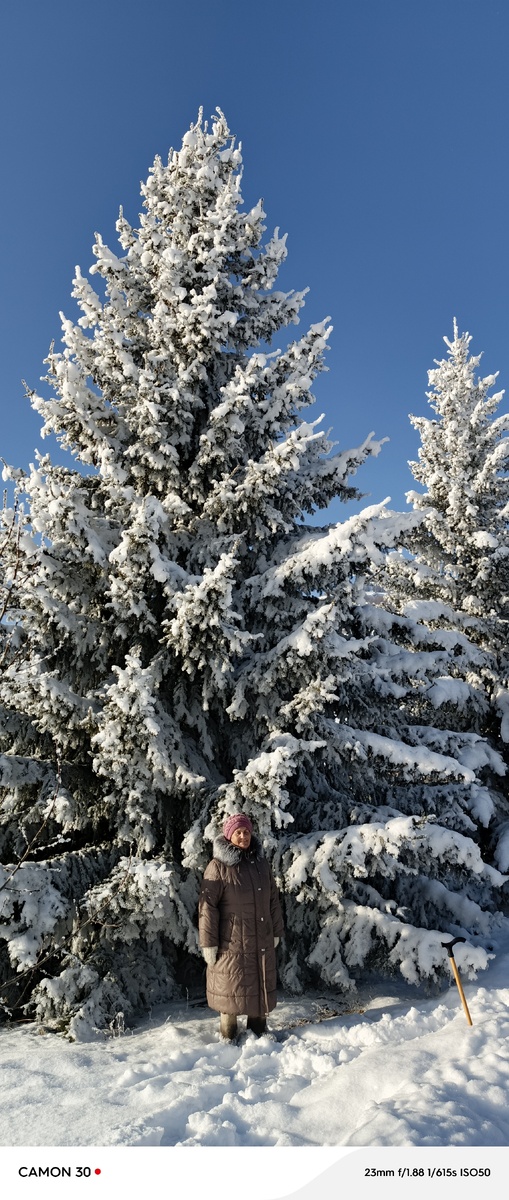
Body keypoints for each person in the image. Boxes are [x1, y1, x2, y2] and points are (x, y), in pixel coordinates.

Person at [198, 813, 284, 1040]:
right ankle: (228, 1034)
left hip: (260, 938)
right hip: (231, 940)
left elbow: (273, 900)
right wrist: (209, 943)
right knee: (231, 987)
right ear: (229, 836)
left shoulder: (261, 865)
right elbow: (207, 907)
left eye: (246, 832)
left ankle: (259, 1031)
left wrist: (276, 930)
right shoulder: (218, 867)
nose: (243, 837)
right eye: (238, 833)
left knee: (259, 983)